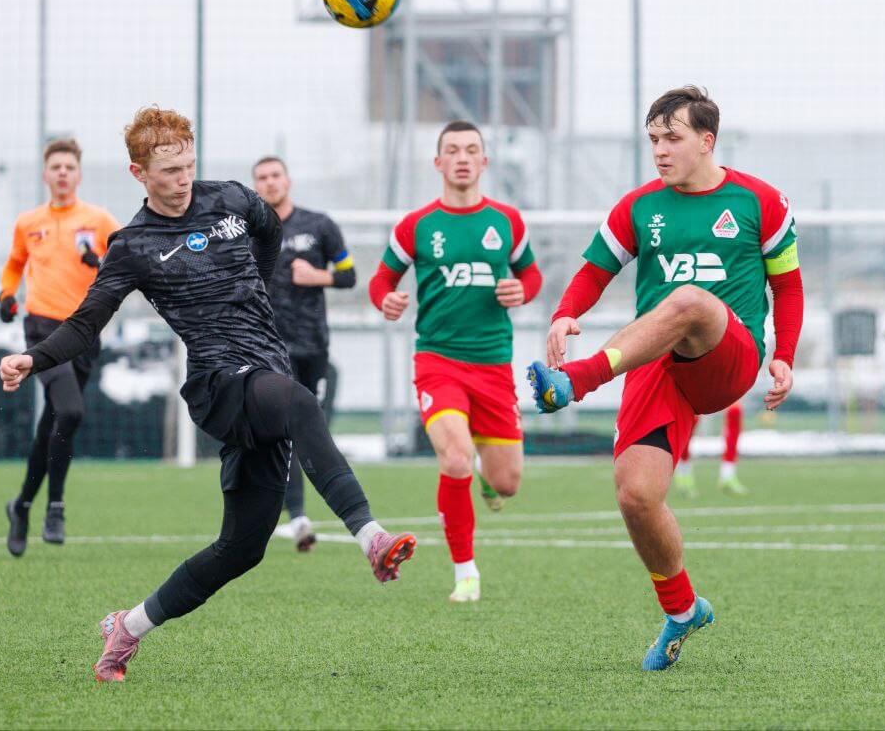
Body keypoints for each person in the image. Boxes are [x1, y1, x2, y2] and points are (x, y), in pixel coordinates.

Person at [0, 106, 415, 682]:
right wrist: (34, 357)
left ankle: (127, 628)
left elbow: (269, 233)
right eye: (170, 171)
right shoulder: (133, 245)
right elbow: (85, 323)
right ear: (139, 173)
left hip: (266, 370)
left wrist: (255, 287)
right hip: (218, 382)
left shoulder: (233, 199)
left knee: (242, 548)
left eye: (189, 165)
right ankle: (371, 537)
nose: (184, 179)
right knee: (302, 402)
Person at [526, 86, 804, 671]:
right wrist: (564, 313)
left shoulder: (761, 202)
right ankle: (682, 609)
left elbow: (788, 286)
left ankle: (576, 382)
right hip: (657, 363)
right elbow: (594, 271)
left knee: (690, 300)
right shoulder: (638, 207)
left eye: (672, 138)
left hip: (729, 357)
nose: (659, 150)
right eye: (653, 139)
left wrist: (784, 354)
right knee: (636, 495)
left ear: (707, 141)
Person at [369, 120, 541, 603]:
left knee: (506, 483)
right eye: (452, 150)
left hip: (494, 365)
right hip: (438, 362)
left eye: (471, 150)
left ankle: (489, 477)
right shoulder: (417, 225)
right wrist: (386, 300)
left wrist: (522, 290)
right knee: (457, 457)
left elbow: (531, 275)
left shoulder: (507, 221)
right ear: (438, 162)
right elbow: (381, 281)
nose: (462, 158)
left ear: (484, 161)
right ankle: (466, 572)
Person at [0, 137, 120, 555]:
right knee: (70, 411)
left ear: (78, 174)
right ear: (45, 174)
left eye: (69, 167)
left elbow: (126, 265)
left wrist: (99, 264)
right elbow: (14, 264)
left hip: (84, 332)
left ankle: (21, 506)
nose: (63, 173)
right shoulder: (28, 222)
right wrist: (6, 295)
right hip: (42, 331)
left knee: (53, 423)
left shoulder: (100, 220)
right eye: (56, 167)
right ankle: (55, 507)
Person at [252, 155, 356, 552]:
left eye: (275, 175)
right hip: (269, 348)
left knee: (308, 432)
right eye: (262, 178)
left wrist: (318, 276)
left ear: (288, 180)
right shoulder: (248, 232)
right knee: (288, 429)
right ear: (255, 186)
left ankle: (305, 509)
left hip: (313, 344)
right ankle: (297, 517)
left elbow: (349, 275)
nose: (270, 182)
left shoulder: (319, 226)